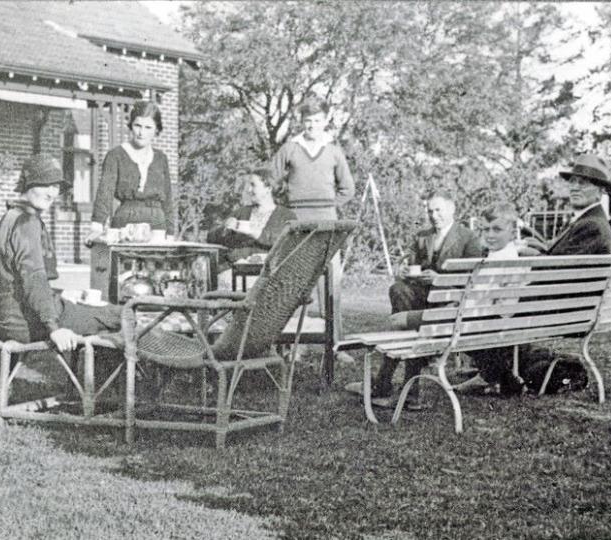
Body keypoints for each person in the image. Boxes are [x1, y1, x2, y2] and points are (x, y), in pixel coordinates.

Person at [468, 153, 611, 395]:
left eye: (583, 183)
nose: (575, 187)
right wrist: (540, 249)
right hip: (568, 307)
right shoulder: (591, 220)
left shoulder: (591, 225)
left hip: (562, 311)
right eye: (573, 181)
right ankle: (494, 372)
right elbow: (565, 261)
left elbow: (556, 270)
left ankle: (495, 374)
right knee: (489, 300)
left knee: (479, 304)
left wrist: (528, 255)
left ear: (600, 190)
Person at [345, 191, 484, 409]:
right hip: (418, 300)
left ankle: (385, 384)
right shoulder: (422, 236)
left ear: (452, 209)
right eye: (430, 210)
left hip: (446, 305)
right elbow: (409, 265)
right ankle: (407, 391)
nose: (433, 215)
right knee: (399, 290)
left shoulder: (469, 238)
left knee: (405, 322)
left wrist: (442, 279)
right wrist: (403, 270)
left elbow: (472, 279)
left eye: (438, 210)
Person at [0, 155, 121, 354]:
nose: (52, 192)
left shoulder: (11, 215)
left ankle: (87, 380)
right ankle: (105, 383)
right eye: (46, 184)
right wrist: (54, 328)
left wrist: (62, 296)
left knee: (94, 308)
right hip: (26, 323)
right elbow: (33, 278)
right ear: (29, 183)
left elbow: (18, 280)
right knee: (120, 316)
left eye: (56, 186)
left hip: (9, 316)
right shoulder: (26, 223)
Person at [271, 99, 355, 316]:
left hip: (328, 223)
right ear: (301, 122)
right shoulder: (290, 148)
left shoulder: (334, 151)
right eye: (308, 121)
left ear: (325, 121)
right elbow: (269, 180)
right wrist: (284, 207)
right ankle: (294, 344)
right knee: (294, 282)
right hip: (297, 222)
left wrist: (328, 205)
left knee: (331, 283)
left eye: (317, 120)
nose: (312, 125)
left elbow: (348, 189)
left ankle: (334, 343)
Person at [86, 100, 174, 243]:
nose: (141, 132)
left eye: (148, 127)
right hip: (126, 221)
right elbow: (105, 192)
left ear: (156, 130)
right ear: (131, 125)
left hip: (157, 224)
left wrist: (170, 232)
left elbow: (168, 198)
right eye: (137, 125)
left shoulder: (161, 159)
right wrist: (97, 226)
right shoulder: (116, 155)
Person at [207, 168, 297, 269]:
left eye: (253, 185)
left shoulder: (286, 216)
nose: (249, 190)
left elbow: (286, 243)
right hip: (235, 271)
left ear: (268, 188)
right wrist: (224, 228)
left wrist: (253, 231)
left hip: (267, 275)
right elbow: (211, 238)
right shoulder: (242, 212)